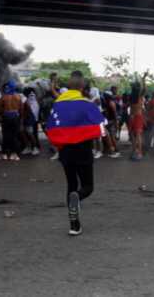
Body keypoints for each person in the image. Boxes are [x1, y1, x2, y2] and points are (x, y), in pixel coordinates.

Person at [46, 71, 104, 236]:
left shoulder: (58, 103)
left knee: (71, 184)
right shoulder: (87, 104)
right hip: (83, 150)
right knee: (87, 187)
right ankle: (78, 197)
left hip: (65, 151)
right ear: (82, 86)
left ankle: (74, 225)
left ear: (69, 86)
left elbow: (51, 126)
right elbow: (101, 128)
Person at [0, 80, 23, 161]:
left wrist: (3, 113)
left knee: (5, 135)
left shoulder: (4, 97)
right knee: (14, 136)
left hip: (6, 116)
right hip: (15, 116)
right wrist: (20, 118)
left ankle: (4, 154)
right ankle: (14, 154)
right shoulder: (18, 97)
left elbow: (0, 108)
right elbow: (21, 109)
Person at [129, 72, 148, 160]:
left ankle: (138, 152)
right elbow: (144, 88)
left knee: (135, 135)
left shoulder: (134, 96)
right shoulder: (136, 96)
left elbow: (144, 89)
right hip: (136, 117)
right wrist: (143, 79)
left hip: (133, 117)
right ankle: (137, 152)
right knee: (136, 135)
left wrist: (143, 78)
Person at [21, 88, 41, 156]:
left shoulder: (27, 100)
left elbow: (28, 110)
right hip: (30, 118)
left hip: (29, 118)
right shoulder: (31, 99)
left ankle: (35, 148)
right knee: (25, 133)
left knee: (30, 133)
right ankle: (29, 147)